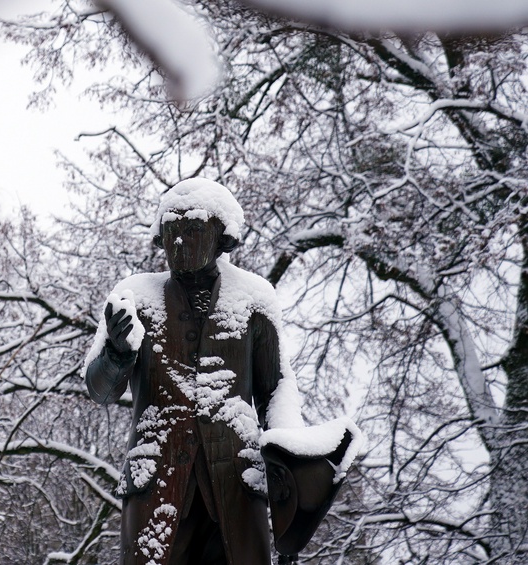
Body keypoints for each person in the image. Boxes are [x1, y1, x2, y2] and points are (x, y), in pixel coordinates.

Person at [84, 179, 359, 565]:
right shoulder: (135, 298)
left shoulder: (254, 300)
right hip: (156, 483)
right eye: (171, 232)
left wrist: (293, 472)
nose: (179, 243)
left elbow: (277, 389)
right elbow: (99, 390)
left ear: (221, 236)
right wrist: (116, 352)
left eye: (193, 230)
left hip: (236, 485)